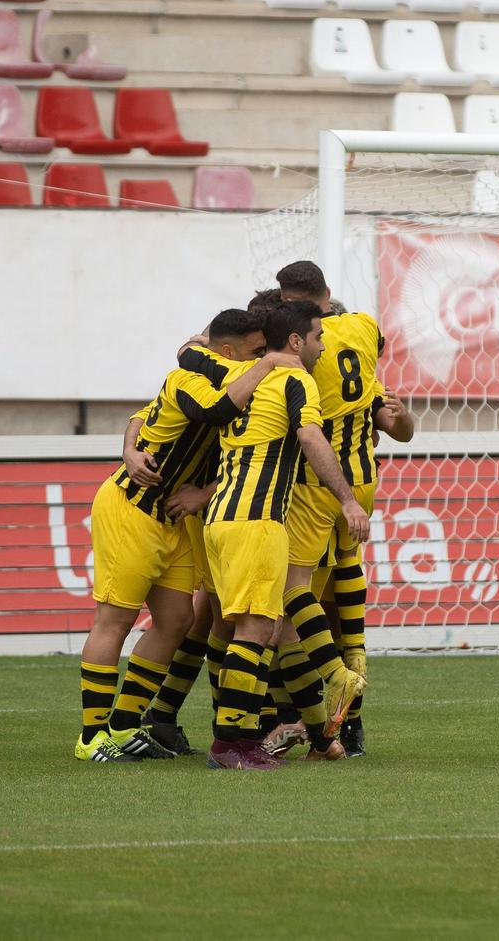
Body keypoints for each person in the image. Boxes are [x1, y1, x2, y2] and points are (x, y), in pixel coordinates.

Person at [75, 309, 290, 763]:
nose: (262, 358)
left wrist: (202, 491)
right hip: (132, 509)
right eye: (255, 351)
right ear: (227, 352)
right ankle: (91, 736)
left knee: (175, 622)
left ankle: (124, 725)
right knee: (114, 619)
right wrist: (129, 451)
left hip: (173, 519)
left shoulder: (245, 383)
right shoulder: (189, 378)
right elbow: (210, 410)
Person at [203, 302, 367, 771]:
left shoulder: (242, 377)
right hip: (256, 520)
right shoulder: (296, 380)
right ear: (295, 341)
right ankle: (231, 744)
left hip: (221, 517)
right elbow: (312, 439)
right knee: (255, 631)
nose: (321, 345)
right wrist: (347, 499)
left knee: (261, 629)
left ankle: (265, 738)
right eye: (316, 337)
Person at [264, 265, 413, 758]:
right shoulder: (364, 328)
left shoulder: (295, 359)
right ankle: (348, 729)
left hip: (316, 483)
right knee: (342, 601)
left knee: (290, 596)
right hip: (363, 480)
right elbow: (383, 396)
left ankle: (326, 693)